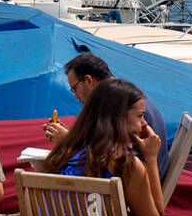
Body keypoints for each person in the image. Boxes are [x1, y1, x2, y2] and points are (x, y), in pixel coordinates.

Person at [40, 78, 178, 216]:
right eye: (140, 116)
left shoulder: (62, 152)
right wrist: (151, 159)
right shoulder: (125, 162)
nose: (144, 123)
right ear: (119, 118)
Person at [43, 52, 171, 179]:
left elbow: (109, 158)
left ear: (88, 80)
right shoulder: (126, 98)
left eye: (74, 89)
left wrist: (68, 142)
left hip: (136, 183)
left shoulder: (121, 107)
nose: (75, 96)